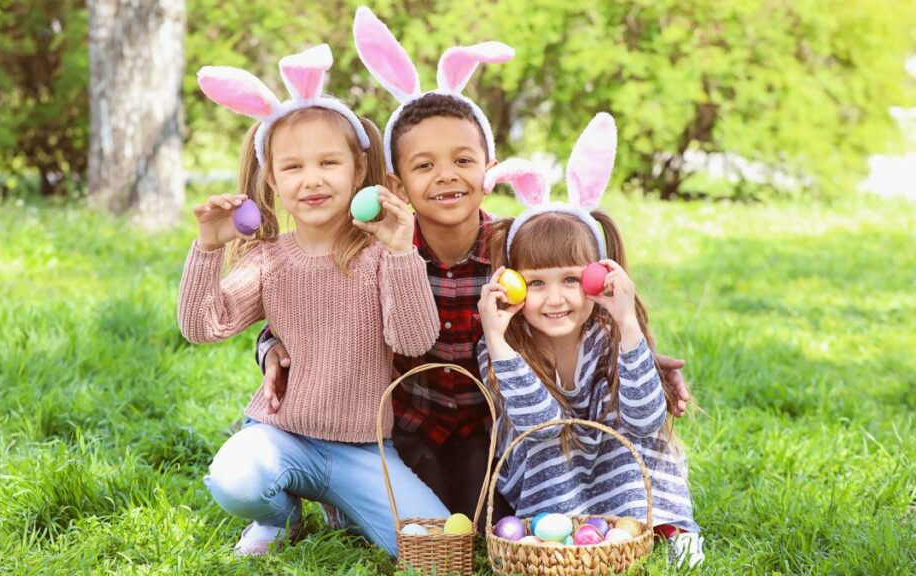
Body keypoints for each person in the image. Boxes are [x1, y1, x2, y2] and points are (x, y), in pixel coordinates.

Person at [257, 5, 692, 524]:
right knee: (418, 523)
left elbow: (571, 304)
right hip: (406, 422)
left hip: (495, 424)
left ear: (489, 170)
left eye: (463, 160)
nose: (447, 176)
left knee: (487, 520)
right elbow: (306, 308)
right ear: (397, 184)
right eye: (424, 165)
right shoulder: (378, 248)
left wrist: (642, 355)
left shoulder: (512, 247)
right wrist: (271, 348)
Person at [179, 44, 448, 557]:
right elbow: (202, 326)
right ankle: (281, 517)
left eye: (328, 162)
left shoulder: (377, 256)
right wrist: (208, 249)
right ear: (273, 180)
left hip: (364, 449)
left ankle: (342, 502)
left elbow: (414, 338)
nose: (313, 179)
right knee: (234, 478)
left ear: (357, 167)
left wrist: (399, 251)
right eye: (294, 167)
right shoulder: (268, 260)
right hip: (283, 437)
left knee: (432, 552)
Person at [476, 113, 704, 568]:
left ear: (599, 279)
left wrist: (629, 325)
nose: (554, 299)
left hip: (615, 455)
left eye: (571, 280)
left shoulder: (609, 334)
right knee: (549, 450)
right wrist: (496, 341)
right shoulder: (501, 346)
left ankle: (667, 527)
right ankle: (565, 534)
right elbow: (538, 426)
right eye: (535, 283)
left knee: (633, 447)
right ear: (512, 283)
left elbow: (644, 419)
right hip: (549, 463)